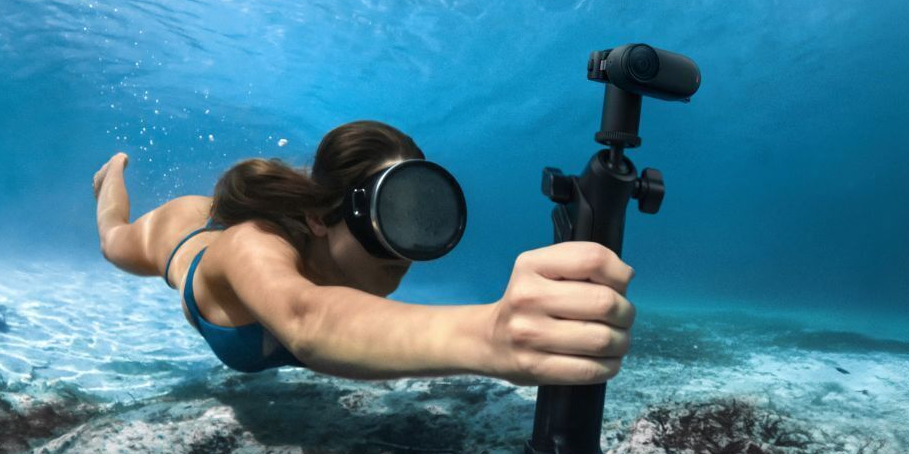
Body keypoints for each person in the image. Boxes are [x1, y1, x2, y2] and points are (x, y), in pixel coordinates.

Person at [94, 119, 636, 385]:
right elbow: (305, 317)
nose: (402, 252)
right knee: (115, 240)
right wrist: (489, 334)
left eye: (419, 220)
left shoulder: (340, 240)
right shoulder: (247, 245)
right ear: (320, 218)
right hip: (187, 235)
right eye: (385, 219)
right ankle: (110, 173)